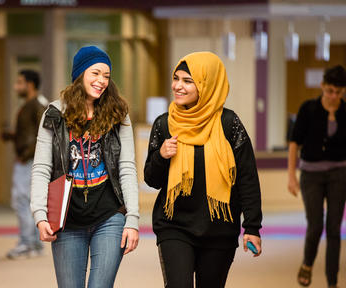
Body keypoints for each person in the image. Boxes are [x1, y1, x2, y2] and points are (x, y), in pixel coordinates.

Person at [144, 51, 262, 288]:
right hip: (173, 226)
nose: (177, 86)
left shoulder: (229, 124)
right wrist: (161, 156)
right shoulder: (164, 124)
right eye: (176, 78)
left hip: (219, 230)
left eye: (188, 81)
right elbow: (151, 180)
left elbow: (247, 177)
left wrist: (252, 226)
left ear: (206, 85)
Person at [30, 46, 139, 287]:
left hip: (109, 216)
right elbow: (41, 168)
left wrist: (132, 219)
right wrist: (40, 215)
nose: (101, 81)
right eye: (95, 73)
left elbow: (127, 168)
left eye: (106, 76)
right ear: (80, 74)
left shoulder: (117, 114)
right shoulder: (54, 114)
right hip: (67, 220)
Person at [288, 65, 346, 288]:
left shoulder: (345, 111)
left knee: (334, 229)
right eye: (330, 91)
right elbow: (294, 143)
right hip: (311, 175)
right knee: (315, 225)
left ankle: (332, 281)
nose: (333, 96)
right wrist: (291, 176)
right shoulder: (308, 109)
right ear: (322, 86)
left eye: (338, 93)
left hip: (339, 174)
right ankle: (307, 263)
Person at [2, 69, 47, 259]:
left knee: (22, 201)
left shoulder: (36, 105)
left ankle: (26, 242)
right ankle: (34, 243)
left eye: (19, 82)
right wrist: (13, 135)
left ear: (29, 84)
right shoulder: (30, 105)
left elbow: (43, 135)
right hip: (29, 159)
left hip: (29, 161)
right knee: (29, 201)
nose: (16, 86)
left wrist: (25, 155)